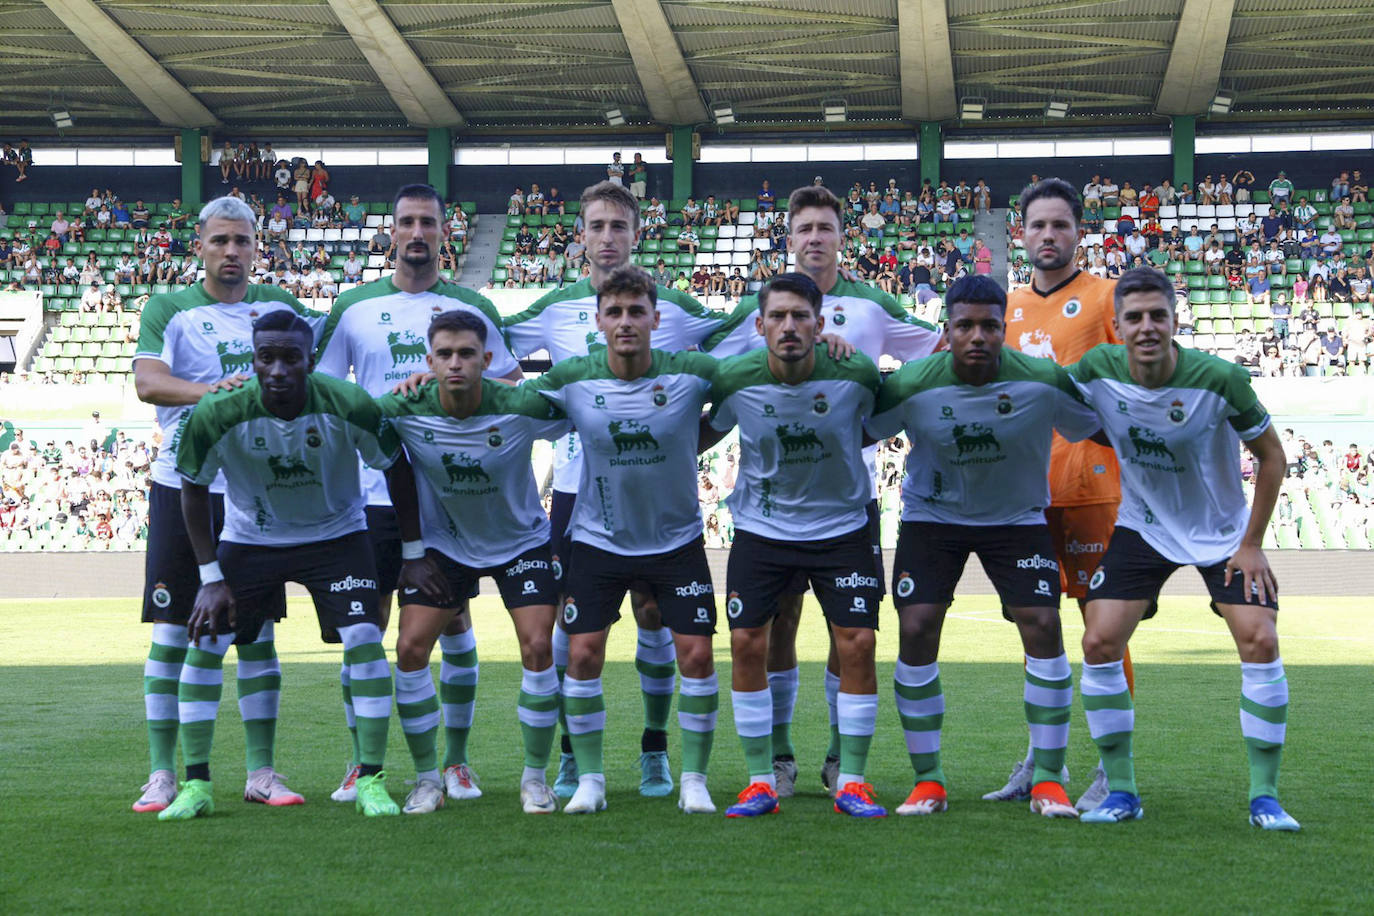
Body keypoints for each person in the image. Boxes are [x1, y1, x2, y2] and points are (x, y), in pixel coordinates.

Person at [703, 184, 940, 798]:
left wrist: (853, 359)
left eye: (825, 228)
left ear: (841, 237)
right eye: (803, 228)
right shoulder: (759, 314)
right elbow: (703, 366)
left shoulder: (870, 308)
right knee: (774, 628)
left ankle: (840, 760)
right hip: (769, 509)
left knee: (851, 636)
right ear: (789, 238)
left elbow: (934, 353)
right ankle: (777, 761)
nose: (814, 238)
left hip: (844, 505)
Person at [503, 181, 726, 800]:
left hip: (661, 499)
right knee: (572, 638)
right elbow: (491, 346)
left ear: (636, 234)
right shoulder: (555, 306)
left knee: (658, 621)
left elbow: (743, 339)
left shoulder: (674, 307)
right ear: (580, 235)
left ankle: (656, 751)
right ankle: (577, 760)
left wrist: (686, 442)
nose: (606, 238)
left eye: (617, 227)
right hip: (579, 497)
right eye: (595, 226)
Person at [1067, 267, 1298, 832]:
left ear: (1175, 320)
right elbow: (1044, 391)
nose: (1147, 327)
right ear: (1116, 327)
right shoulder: (1096, 368)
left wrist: (1251, 545)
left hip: (1222, 533)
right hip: (1143, 527)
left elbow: (1273, 458)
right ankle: (1120, 790)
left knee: (1260, 638)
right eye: (1135, 318)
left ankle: (1265, 797)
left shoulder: (1220, 379)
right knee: (1098, 641)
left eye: (1158, 316)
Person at [316, 183, 523, 804]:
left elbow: (510, 378)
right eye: (406, 222)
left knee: (454, 622)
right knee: (365, 626)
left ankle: (455, 763)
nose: (416, 233)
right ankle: (363, 761)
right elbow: (326, 393)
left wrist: (439, 377)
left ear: (443, 232)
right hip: (372, 496)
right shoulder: (352, 306)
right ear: (391, 232)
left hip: (448, 497)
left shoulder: (470, 304)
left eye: (427, 223)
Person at [868, 274, 1102, 819]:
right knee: (917, 626)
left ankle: (1048, 779)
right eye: (965, 325)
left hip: (1017, 519)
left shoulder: (1043, 380)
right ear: (945, 330)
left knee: (1043, 627)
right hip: (933, 517)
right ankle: (928, 781)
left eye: (989, 326)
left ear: (1005, 329)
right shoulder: (910, 383)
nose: (977, 336)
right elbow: (859, 429)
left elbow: (1098, 427)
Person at [163, 309, 402, 820]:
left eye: (290, 358)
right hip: (252, 539)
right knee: (205, 641)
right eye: (265, 358)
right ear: (253, 359)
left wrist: (418, 552)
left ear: (310, 360)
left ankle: (372, 778)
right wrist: (209, 578)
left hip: (337, 536)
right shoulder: (218, 410)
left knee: (365, 638)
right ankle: (197, 784)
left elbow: (396, 467)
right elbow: (192, 488)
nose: (276, 369)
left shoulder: (348, 402)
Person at [129, 196, 326, 815]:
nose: (232, 252)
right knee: (170, 632)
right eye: (220, 241)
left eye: (242, 241)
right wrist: (210, 392)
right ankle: (162, 774)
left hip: (252, 493)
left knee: (258, 634)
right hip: (181, 487)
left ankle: (262, 772)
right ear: (200, 247)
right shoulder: (170, 307)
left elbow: (326, 351)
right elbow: (147, 382)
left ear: (257, 247)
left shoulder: (280, 308)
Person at [708, 273, 886, 819]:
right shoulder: (734, 379)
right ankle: (763, 777)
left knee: (856, 643)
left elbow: (881, 422)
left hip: (842, 528)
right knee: (746, 644)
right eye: (778, 317)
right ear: (759, 326)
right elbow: (705, 429)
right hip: (764, 530)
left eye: (800, 316)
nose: (789, 326)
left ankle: (850, 778)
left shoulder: (855, 371)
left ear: (821, 323)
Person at [376, 310, 567, 814]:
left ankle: (535, 779)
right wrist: (412, 552)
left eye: (466, 354)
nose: (455, 363)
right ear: (429, 361)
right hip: (446, 547)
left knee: (537, 647)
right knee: (411, 648)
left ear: (487, 360)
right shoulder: (406, 408)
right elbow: (358, 419)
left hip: (521, 543)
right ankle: (427, 780)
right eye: (444, 355)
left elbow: (583, 413)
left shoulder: (521, 406)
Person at [993, 178, 1125, 812]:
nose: (1048, 235)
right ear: (1021, 233)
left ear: (1079, 232)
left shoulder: (1107, 299)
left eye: (1060, 225)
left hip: (1093, 487)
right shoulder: (1009, 307)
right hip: (1023, 495)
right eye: (1037, 225)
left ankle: (1109, 767)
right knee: (1034, 630)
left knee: (1104, 632)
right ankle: (1041, 761)